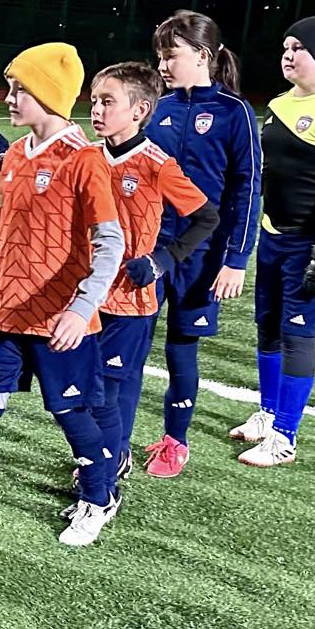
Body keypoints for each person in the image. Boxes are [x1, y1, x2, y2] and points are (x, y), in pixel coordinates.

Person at [0, 42, 125, 549]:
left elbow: (110, 243)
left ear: (49, 94)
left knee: (73, 418)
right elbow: (10, 225)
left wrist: (81, 310)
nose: (9, 98)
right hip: (7, 317)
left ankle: (99, 497)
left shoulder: (85, 160)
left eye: (20, 89)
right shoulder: (17, 156)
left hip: (60, 323)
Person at [229, 9, 315, 468]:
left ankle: (285, 436)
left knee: (297, 335)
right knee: (267, 328)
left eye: (299, 48)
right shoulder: (279, 105)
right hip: (274, 236)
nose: (288, 55)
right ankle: (268, 415)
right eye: (286, 48)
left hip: (312, 244)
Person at [87, 61, 216, 500]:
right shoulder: (88, 157)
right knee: (91, 386)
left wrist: (162, 260)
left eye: (108, 101)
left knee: (111, 386)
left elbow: (206, 217)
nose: (97, 110)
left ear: (140, 110)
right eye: (95, 101)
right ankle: (107, 453)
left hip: (130, 298)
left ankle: (109, 464)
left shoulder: (156, 164)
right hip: (87, 294)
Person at [142, 10, 259, 478]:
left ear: (202, 55)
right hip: (151, 251)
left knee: (181, 348)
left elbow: (248, 188)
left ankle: (175, 441)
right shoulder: (159, 108)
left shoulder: (235, 112)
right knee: (129, 344)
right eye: (160, 56)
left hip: (204, 256)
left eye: (170, 55)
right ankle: (115, 444)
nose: (162, 65)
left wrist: (236, 259)